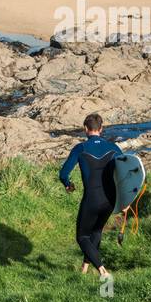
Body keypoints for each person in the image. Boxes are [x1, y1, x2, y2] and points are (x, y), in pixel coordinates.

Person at [58, 113, 122, 277]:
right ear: (101, 129)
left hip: (92, 199)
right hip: (109, 199)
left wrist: (68, 185)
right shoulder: (114, 148)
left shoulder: (81, 148)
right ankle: (84, 269)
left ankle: (102, 271)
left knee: (82, 236)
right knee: (96, 231)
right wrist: (125, 199)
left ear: (85, 129)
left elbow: (64, 173)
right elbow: (125, 173)